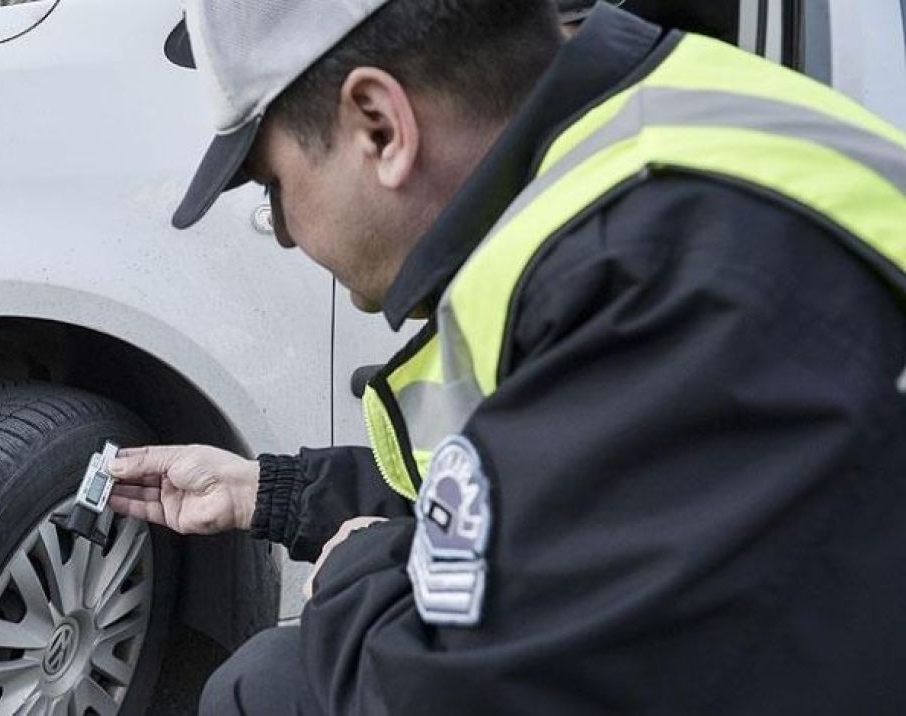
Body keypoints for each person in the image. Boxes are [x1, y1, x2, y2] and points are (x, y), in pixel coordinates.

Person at [109, 0, 906, 712]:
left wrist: (359, 572)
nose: (282, 230)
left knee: (271, 689)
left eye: (271, 185)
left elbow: (451, 687)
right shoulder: (646, 145)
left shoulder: (665, 265)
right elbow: (554, 483)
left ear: (380, 127)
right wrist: (270, 493)